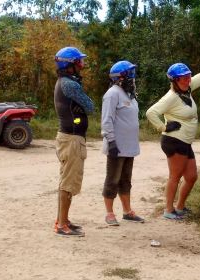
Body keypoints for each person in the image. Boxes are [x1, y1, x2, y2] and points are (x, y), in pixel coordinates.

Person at [146, 49, 200, 220]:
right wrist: (163, 127)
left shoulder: (187, 89)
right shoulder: (171, 97)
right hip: (174, 140)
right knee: (175, 176)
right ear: (174, 81)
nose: (187, 79)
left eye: (188, 76)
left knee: (192, 177)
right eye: (183, 77)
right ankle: (168, 210)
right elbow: (151, 112)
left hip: (185, 142)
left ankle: (180, 206)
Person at [53, 46, 95, 236]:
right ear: (70, 65)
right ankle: (62, 225)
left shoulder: (65, 82)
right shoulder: (70, 85)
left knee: (66, 181)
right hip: (72, 139)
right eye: (79, 62)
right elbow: (90, 106)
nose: (82, 65)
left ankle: (63, 220)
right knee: (68, 183)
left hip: (68, 137)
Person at [101, 60, 145, 226]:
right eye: (130, 75)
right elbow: (107, 120)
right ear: (120, 77)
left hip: (129, 147)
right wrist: (111, 142)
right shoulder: (112, 94)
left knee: (126, 180)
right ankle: (109, 213)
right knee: (112, 179)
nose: (133, 78)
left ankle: (127, 212)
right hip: (116, 147)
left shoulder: (130, 95)